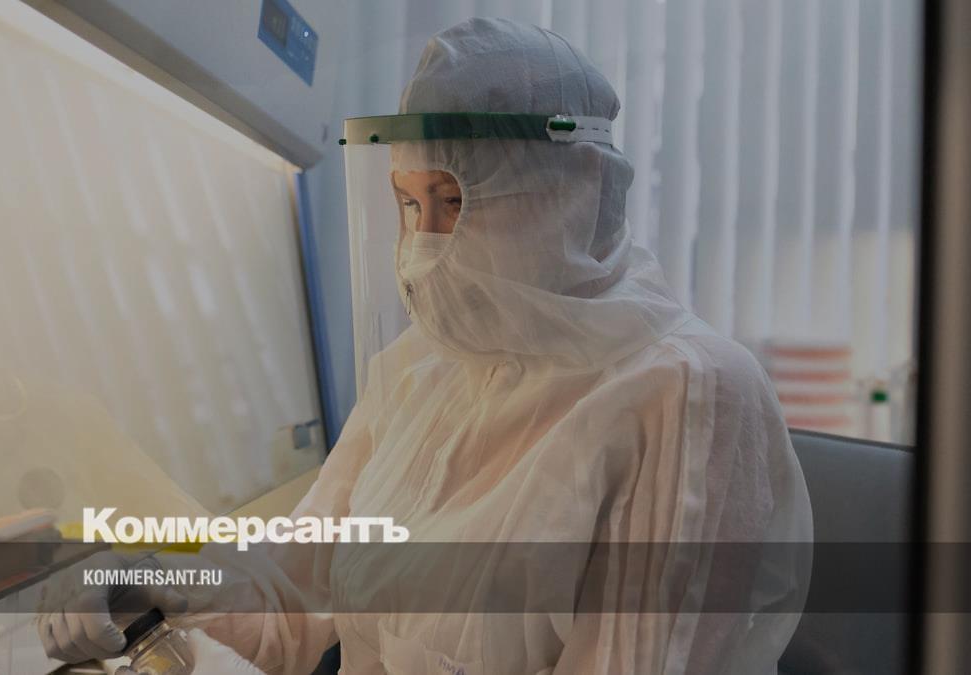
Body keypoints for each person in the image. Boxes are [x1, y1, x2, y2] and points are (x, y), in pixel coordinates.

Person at [41, 17, 812, 674]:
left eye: (453, 201)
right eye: (409, 206)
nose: (421, 250)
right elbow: (293, 593)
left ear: (569, 194)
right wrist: (153, 583)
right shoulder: (421, 368)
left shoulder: (690, 393)